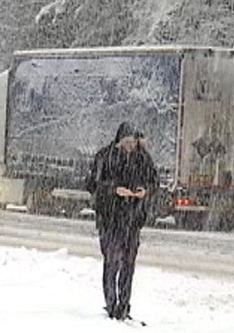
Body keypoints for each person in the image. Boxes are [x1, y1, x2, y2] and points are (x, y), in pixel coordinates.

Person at [85, 122, 158, 321]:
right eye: (126, 142)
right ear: (119, 140)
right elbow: (92, 184)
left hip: (133, 220)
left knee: (128, 264)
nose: (130, 145)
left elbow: (154, 181)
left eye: (133, 142)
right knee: (112, 262)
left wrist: (145, 191)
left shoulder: (142, 159)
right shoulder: (105, 157)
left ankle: (124, 306)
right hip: (110, 219)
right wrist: (114, 190)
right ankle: (111, 304)